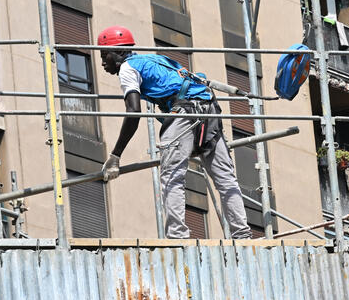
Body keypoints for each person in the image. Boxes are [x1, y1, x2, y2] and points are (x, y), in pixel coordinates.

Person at [97, 26, 251, 239]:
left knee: (172, 176)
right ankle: (242, 235)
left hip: (184, 112)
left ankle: (177, 237)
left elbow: (133, 112)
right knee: (225, 177)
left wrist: (115, 156)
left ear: (120, 52)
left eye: (105, 55)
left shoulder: (127, 69)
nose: (103, 62)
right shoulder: (152, 59)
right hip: (208, 109)